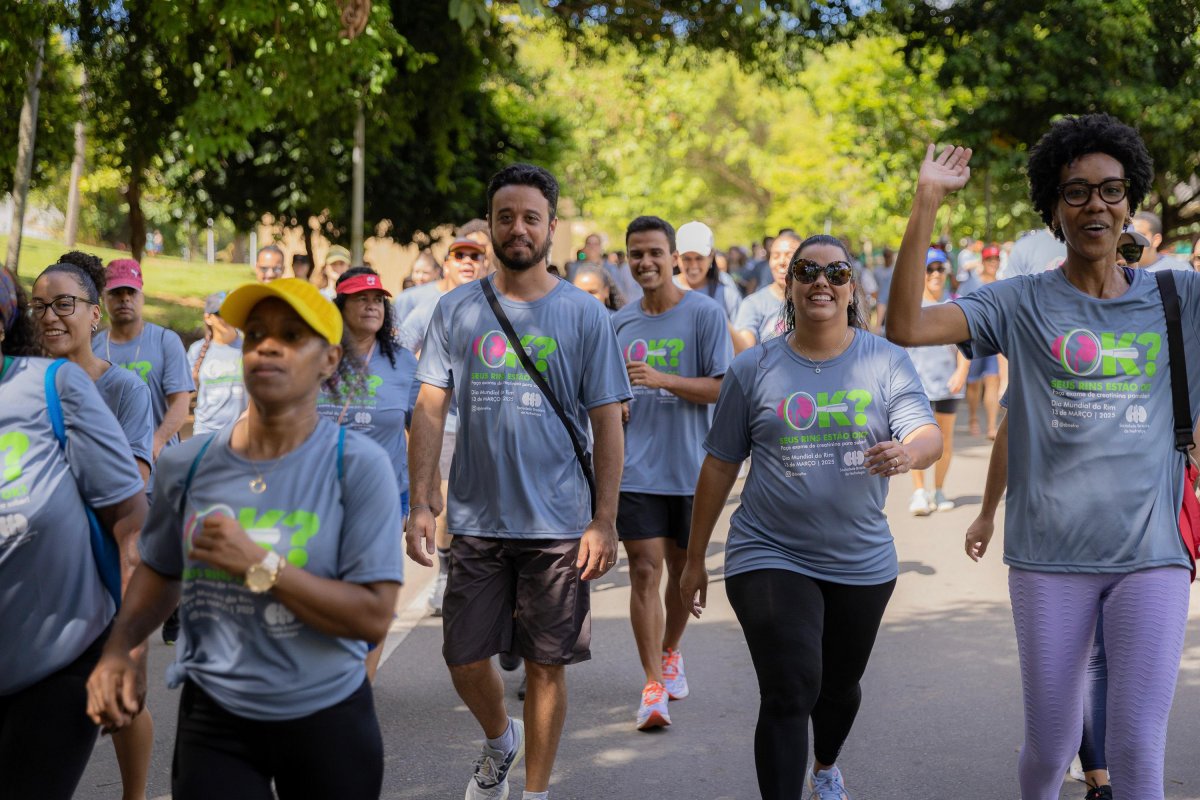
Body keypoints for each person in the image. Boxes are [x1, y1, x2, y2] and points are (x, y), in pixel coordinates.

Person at [886, 116, 1194, 800]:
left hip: (1152, 555)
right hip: (1049, 558)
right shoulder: (1020, 301)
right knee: (1051, 747)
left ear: (1131, 201)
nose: (1095, 204)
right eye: (1076, 191)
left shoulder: (1180, 299)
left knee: (1138, 748)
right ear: (1054, 210)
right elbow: (905, 325)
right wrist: (927, 200)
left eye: (1111, 190)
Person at [85, 278, 403, 800]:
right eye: (255, 334)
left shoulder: (357, 466)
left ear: (328, 360)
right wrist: (121, 648)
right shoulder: (187, 465)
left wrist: (260, 564)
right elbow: (160, 571)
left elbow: (371, 616)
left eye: (291, 336)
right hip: (215, 718)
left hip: (327, 716)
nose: (267, 346)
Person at [681, 234, 941, 800]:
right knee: (789, 688)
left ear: (852, 288)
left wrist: (908, 452)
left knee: (838, 688)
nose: (821, 281)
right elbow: (720, 465)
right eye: (807, 271)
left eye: (836, 272)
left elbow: (927, 433)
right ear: (790, 286)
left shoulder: (884, 360)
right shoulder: (753, 368)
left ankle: (825, 767)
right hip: (768, 550)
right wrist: (695, 559)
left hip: (860, 556)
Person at [407, 163, 631, 800]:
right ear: (491, 225)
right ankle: (500, 738)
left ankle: (535, 792)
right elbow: (429, 407)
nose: (518, 228)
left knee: (546, 666)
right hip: (475, 520)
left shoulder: (583, 315)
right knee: (461, 657)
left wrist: (605, 518)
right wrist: (422, 501)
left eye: (531, 217)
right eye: (505, 216)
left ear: (551, 227)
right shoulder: (456, 309)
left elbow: (608, 422)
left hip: (558, 524)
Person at [0, 269, 148, 800]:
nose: (53, 316)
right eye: (42, 306)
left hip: (63, 646)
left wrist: (129, 651)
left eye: (65, 303)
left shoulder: (62, 386)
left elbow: (131, 509)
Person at [612, 215, 731, 730]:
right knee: (644, 570)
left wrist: (662, 379)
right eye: (636, 254)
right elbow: (606, 394)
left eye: (654, 253)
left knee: (684, 574)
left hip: (692, 470)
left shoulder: (704, 314)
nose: (645, 262)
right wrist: (615, 403)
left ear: (674, 258)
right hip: (636, 470)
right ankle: (652, 684)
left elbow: (723, 388)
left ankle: (671, 650)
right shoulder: (619, 324)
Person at [320, 267, 419, 678]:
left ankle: (360, 684)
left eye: (378, 299)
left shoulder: (403, 364)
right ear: (340, 306)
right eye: (361, 299)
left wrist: (425, 499)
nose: (372, 306)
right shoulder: (315, 356)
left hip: (384, 498)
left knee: (372, 592)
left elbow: (422, 430)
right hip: (318, 494)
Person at [395, 235, 491, 615]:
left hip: (488, 422)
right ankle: (447, 571)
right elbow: (400, 353)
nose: (468, 261)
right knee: (448, 505)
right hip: (445, 420)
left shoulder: (496, 302)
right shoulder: (430, 306)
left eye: (475, 256)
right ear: (447, 264)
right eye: (459, 255)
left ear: (485, 264)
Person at [92, 259, 194, 464]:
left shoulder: (166, 341)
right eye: (116, 292)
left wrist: (157, 441)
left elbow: (181, 401)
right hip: (110, 463)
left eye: (131, 292)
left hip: (160, 464)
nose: (125, 298)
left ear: (142, 296)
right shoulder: (93, 347)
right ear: (103, 298)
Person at [905, 251, 969, 516]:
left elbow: (967, 345)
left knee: (944, 440)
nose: (935, 274)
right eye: (929, 269)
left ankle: (939, 490)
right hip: (916, 386)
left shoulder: (955, 305)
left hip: (946, 385)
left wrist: (961, 372)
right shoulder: (910, 307)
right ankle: (919, 492)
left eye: (940, 269)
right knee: (916, 439)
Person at [187, 291, 247, 435]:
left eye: (230, 313)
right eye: (220, 314)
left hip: (241, 431)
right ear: (208, 318)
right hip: (205, 431)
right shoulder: (197, 350)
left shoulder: (248, 348)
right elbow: (185, 393)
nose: (227, 318)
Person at [731, 231, 801, 354]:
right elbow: (745, 350)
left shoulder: (815, 302)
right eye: (775, 256)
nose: (781, 262)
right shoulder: (753, 304)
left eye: (789, 255)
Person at [675, 220, 741, 323]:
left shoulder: (726, 293)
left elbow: (740, 332)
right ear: (676, 257)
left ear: (711, 256)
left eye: (699, 258)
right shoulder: (664, 289)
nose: (693, 265)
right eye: (686, 258)